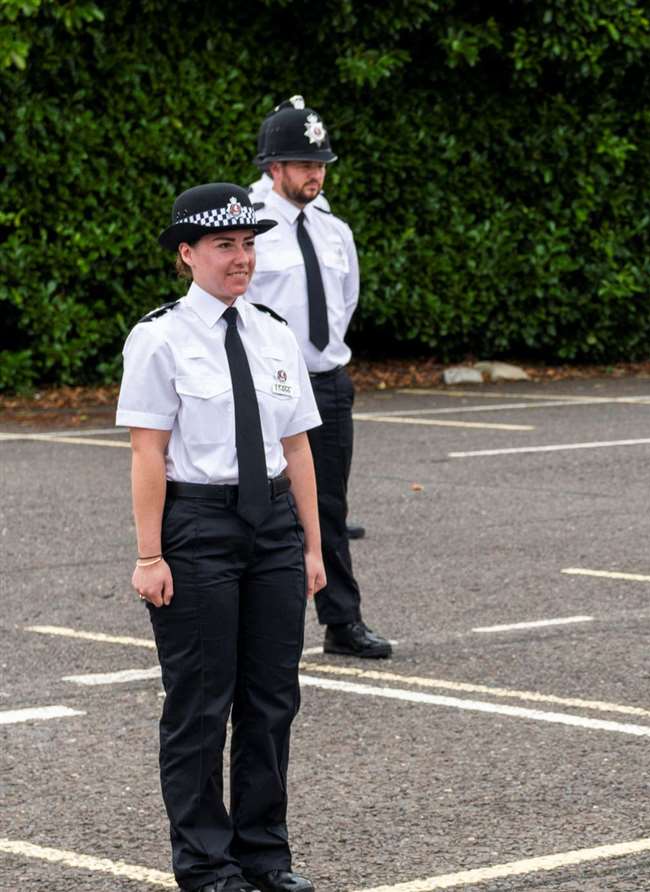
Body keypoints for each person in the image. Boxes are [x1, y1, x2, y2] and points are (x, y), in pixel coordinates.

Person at [120, 183, 325, 892]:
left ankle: (265, 855)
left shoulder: (272, 331)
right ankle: (207, 865)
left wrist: (313, 548)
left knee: (272, 699)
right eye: (224, 246)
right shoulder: (159, 337)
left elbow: (297, 448)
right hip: (197, 525)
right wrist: (150, 555)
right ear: (187, 255)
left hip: (271, 526)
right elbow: (149, 452)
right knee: (201, 702)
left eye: (248, 243)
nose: (241, 258)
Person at [248, 97, 393, 658]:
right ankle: (254, 623)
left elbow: (345, 300)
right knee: (254, 501)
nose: (315, 173)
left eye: (320, 164)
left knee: (327, 505)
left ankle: (341, 620)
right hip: (267, 383)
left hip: (328, 380)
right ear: (273, 167)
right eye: (303, 164)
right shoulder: (251, 228)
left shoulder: (334, 230)